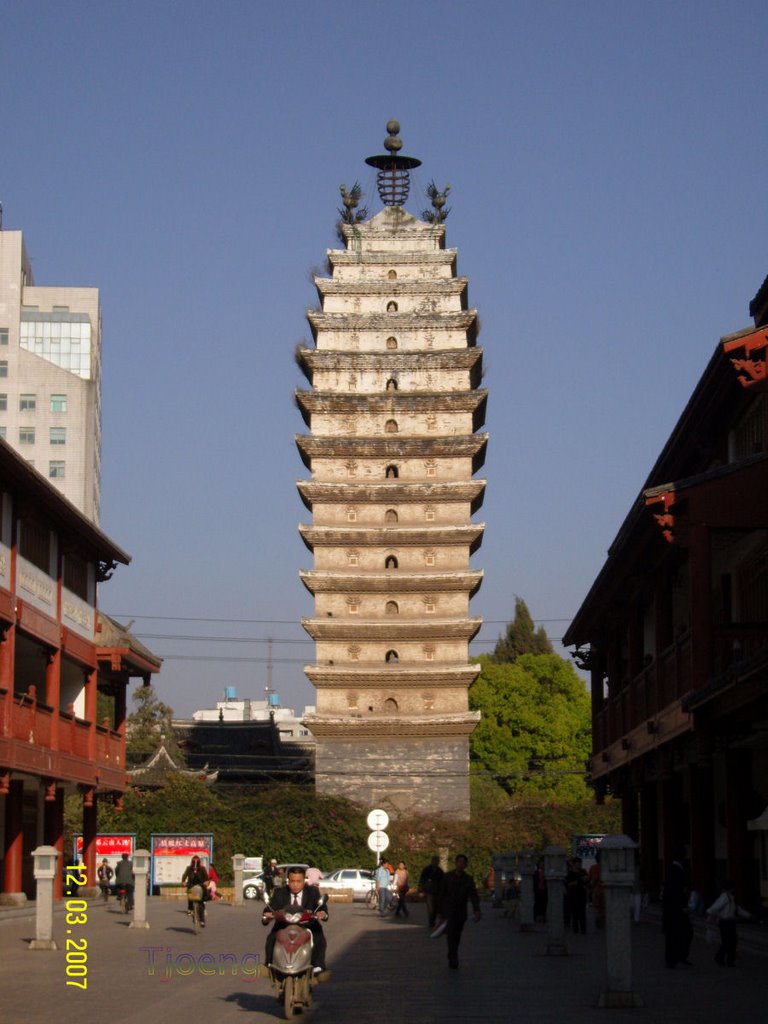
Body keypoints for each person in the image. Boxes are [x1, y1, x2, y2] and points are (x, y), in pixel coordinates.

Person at [262, 865, 330, 979]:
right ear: (288, 880)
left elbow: (321, 906)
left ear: (304, 881)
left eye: (299, 881)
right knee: (272, 937)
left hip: (307, 925)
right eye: (292, 881)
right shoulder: (280, 892)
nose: (295, 884)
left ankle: (319, 966)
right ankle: (268, 965)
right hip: (284, 925)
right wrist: (267, 915)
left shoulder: (312, 891)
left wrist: (322, 913)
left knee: (319, 936)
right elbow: (270, 908)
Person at [435, 854, 481, 969]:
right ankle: (453, 955)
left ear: (465, 865)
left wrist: (476, 909)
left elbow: (473, 895)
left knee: (457, 934)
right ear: (455, 863)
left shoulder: (468, 879)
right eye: (459, 862)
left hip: (461, 911)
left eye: (463, 863)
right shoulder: (447, 877)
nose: (460, 864)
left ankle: (453, 952)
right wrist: (440, 911)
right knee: (451, 934)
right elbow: (441, 894)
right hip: (449, 910)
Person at [706, 881, 752, 966]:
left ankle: (729, 960)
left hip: (730, 922)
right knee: (728, 942)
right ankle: (722, 958)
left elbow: (737, 909)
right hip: (725, 922)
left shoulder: (730, 897)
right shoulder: (725, 897)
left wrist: (748, 915)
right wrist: (709, 912)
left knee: (731, 942)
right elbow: (717, 906)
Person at [662, 855, 692, 967]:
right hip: (676, 910)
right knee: (679, 934)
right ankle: (676, 957)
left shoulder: (673, 869)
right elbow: (676, 892)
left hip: (673, 909)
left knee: (675, 935)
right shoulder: (676, 870)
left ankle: (676, 957)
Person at [181, 855, 210, 927]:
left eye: (196, 863)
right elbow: (184, 876)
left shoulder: (202, 869)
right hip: (191, 886)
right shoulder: (189, 868)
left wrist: (206, 882)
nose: (195, 865)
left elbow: (206, 878)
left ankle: (202, 920)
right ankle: (190, 909)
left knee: (201, 904)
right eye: (194, 863)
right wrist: (183, 882)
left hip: (200, 886)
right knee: (190, 898)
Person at [418, 855, 444, 929]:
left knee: (435, 908)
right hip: (429, 892)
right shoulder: (427, 870)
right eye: (434, 861)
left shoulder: (440, 871)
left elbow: (442, 882)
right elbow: (422, 879)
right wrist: (420, 889)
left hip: (437, 892)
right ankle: (431, 922)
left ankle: (432, 920)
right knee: (430, 908)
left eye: (437, 861)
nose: (436, 862)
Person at [566, 857, 588, 934]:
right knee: (574, 913)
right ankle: (575, 929)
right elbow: (568, 884)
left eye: (580, 863)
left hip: (582, 894)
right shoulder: (570, 873)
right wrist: (576, 882)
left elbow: (586, 880)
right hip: (573, 895)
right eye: (577, 863)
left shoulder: (583, 871)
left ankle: (583, 929)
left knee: (582, 912)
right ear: (574, 864)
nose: (579, 864)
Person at [533, 858, 548, 923]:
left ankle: (543, 916)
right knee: (537, 903)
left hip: (545, 890)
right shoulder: (535, 873)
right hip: (538, 890)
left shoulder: (546, 872)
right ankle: (536, 916)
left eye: (543, 864)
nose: (542, 865)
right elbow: (534, 881)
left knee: (544, 904)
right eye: (541, 864)